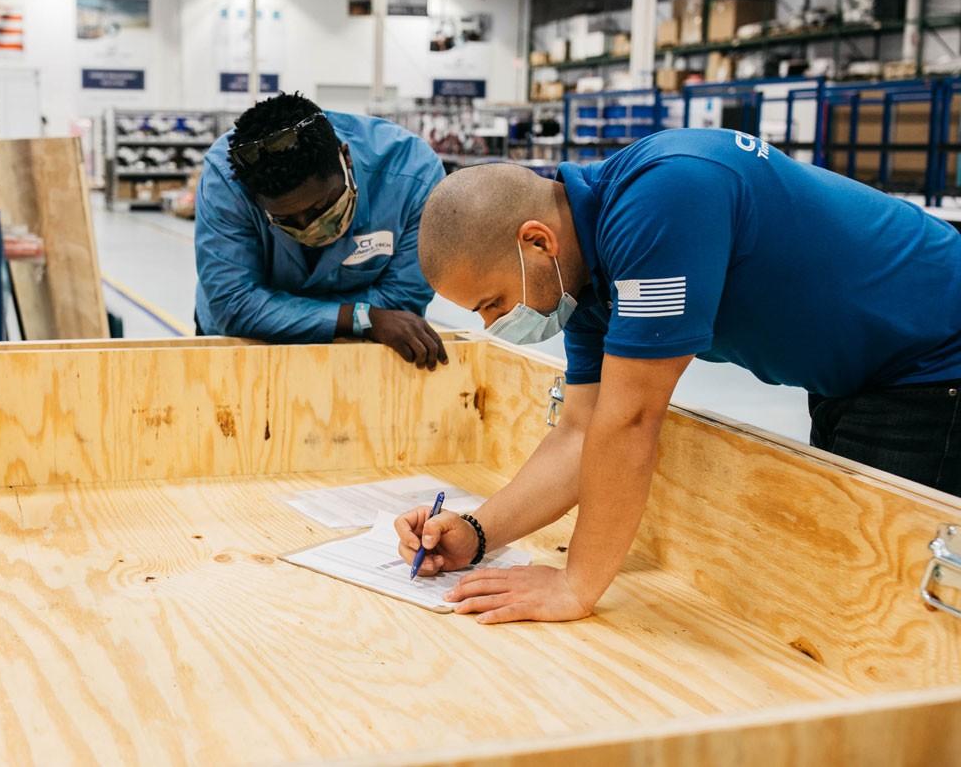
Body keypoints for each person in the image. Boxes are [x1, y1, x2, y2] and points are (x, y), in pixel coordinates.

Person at [394, 127, 961, 623]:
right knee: (854, 573)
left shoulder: (662, 198)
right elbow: (582, 430)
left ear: (538, 242)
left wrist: (577, 583)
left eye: (493, 302)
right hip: (856, 374)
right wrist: (476, 531)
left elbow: (633, 420)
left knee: (892, 595)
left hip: (933, 357)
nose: (495, 324)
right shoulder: (587, 280)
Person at [194, 93, 448, 369]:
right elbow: (234, 303)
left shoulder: (413, 175)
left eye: (321, 207)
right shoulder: (227, 179)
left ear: (346, 158)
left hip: (364, 350)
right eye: (286, 218)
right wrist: (361, 318)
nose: (309, 227)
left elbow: (402, 300)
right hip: (246, 342)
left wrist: (277, 313)